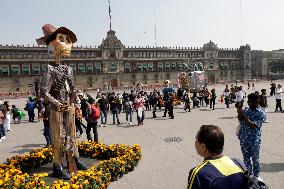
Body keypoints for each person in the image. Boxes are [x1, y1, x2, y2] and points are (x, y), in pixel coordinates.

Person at [38, 24, 87, 179]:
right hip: (57, 108)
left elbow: (73, 88)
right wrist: (57, 103)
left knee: (72, 135)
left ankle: (76, 159)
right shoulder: (49, 69)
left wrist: (76, 103)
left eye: (68, 40)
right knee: (58, 137)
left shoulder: (69, 69)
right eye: (61, 39)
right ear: (52, 44)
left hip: (69, 107)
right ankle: (57, 165)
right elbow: (44, 92)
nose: (66, 43)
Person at [237, 93, 266, 181]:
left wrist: (244, 116)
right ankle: (248, 174)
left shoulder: (261, 113)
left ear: (258, 101)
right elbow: (240, 119)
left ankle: (257, 176)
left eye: (255, 102)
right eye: (250, 102)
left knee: (255, 158)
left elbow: (253, 125)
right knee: (246, 158)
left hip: (254, 139)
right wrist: (239, 110)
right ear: (248, 101)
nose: (253, 104)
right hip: (243, 138)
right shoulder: (246, 110)